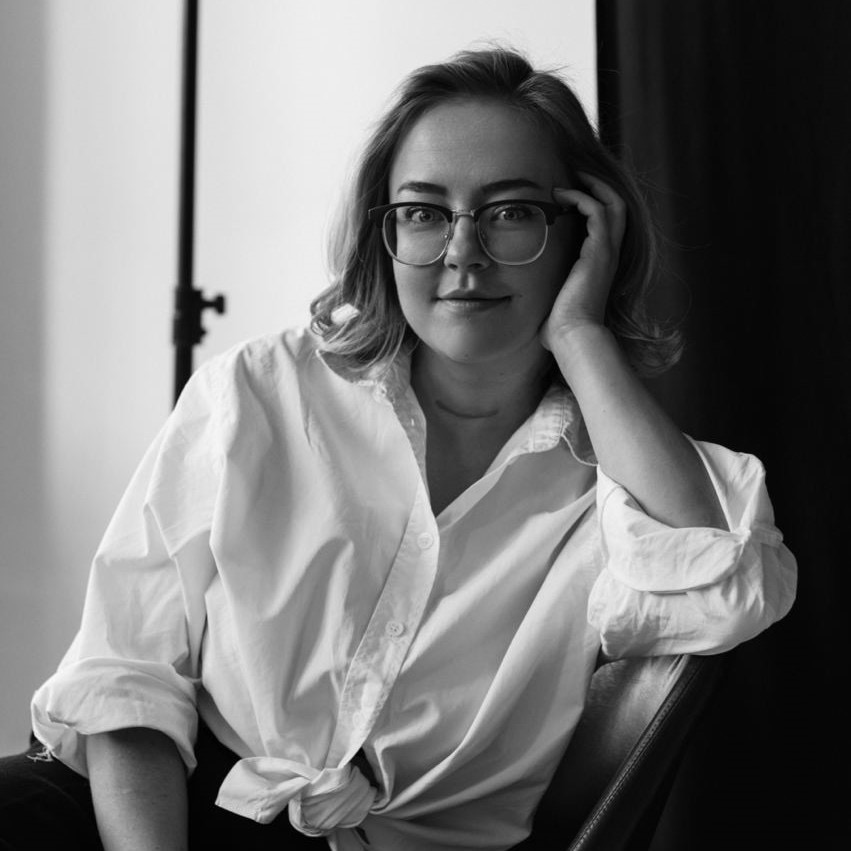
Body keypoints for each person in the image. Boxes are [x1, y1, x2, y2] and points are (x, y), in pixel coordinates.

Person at [0, 47, 796, 851]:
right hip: (164, 814)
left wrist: (580, 335)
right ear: (382, 233)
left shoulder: (626, 479)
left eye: (510, 211)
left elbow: (723, 590)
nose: (461, 251)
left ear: (584, 231)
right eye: (423, 212)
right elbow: (125, 676)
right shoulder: (258, 392)